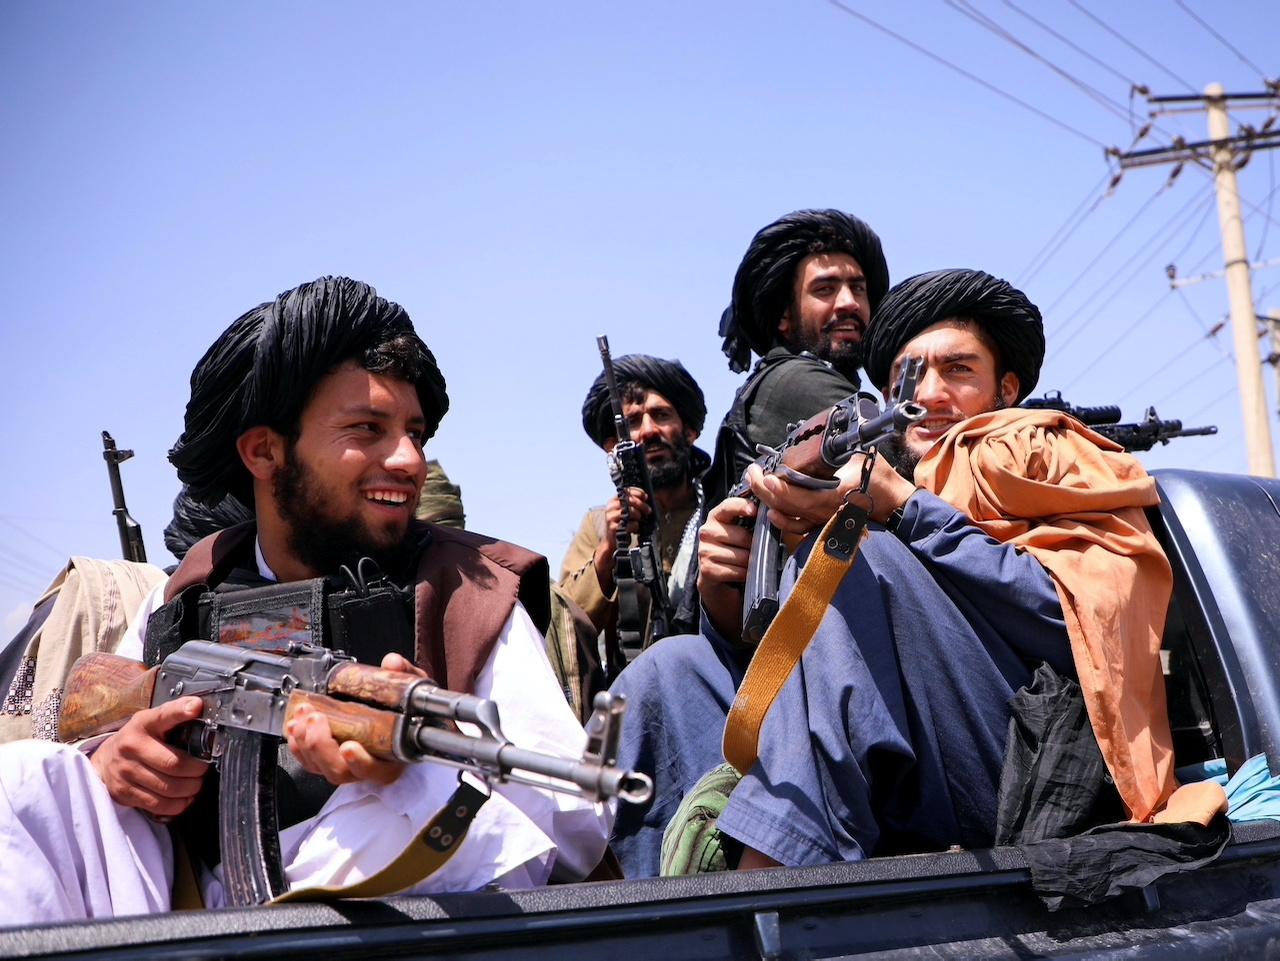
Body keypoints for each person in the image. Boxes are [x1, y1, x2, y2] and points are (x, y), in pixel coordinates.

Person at [0, 276, 610, 925]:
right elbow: (91, 716)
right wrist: (116, 758)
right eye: (368, 428)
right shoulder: (185, 593)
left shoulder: (466, 591)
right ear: (264, 451)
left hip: (387, 921)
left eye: (414, 431)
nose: (409, 459)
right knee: (25, 781)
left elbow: (576, 831)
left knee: (384, 815)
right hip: (188, 909)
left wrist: (412, 768)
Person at [710, 268, 1223, 870]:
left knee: (853, 555)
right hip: (908, 771)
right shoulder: (872, 475)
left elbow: (1088, 627)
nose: (926, 395)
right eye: (909, 374)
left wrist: (906, 511)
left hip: (1031, 763)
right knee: (672, 672)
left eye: (958, 370)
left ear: (1006, 390)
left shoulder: (1044, 448)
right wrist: (724, 591)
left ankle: (769, 888)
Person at [706, 208, 890, 506]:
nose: (849, 303)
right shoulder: (794, 380)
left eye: (858, 288)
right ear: (783, 316)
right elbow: (900, 476)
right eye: (825, 289)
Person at [559, 354, 710, 677]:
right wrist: (608, 550)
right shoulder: (599, 525)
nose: (649, 431)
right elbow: (566, 628)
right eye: (633, 422)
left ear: (690, 430)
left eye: (661, 415)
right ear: (614, 445)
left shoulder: (718, 511)